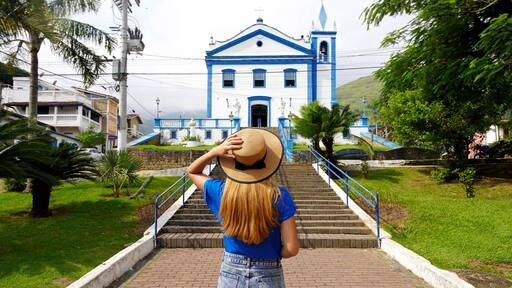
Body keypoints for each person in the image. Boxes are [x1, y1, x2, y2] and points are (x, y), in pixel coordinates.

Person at [187, 128, 299, 288]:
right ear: (267, 163)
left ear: (232, 163)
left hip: (231, 271)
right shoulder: (280, 196)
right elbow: (291, 248)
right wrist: (273, 253)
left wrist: (214, 152)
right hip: (269, 273)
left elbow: (192, 171)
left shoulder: (222, 191)